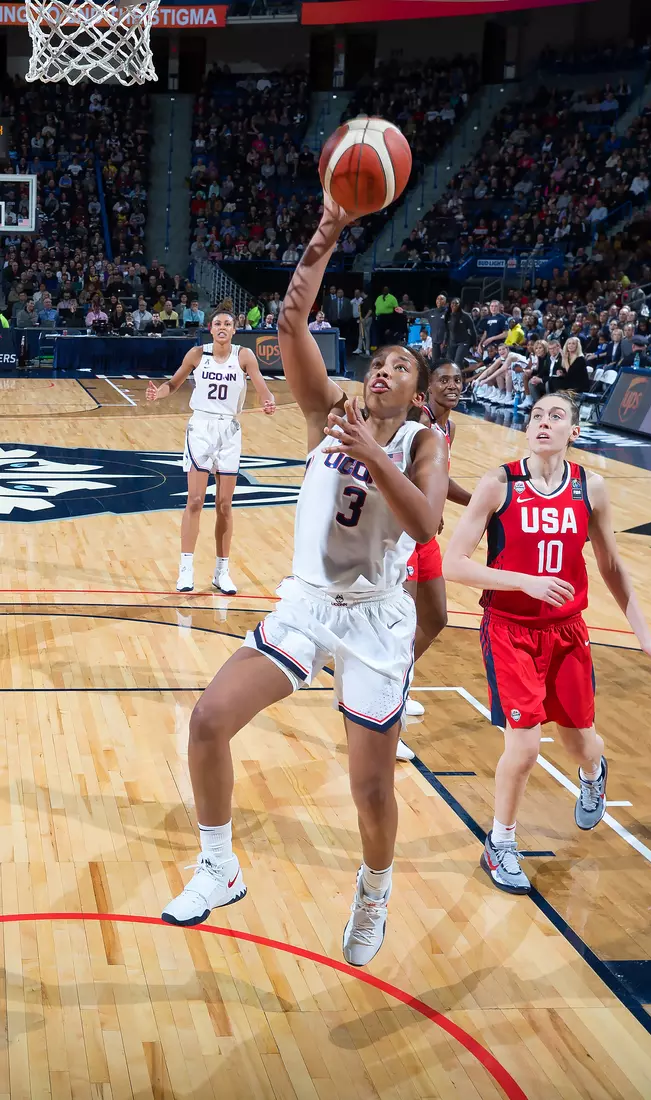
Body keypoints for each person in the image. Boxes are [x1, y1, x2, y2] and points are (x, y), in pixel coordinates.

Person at [160, 197, 449, 969]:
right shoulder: (326, 411)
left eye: (400, 366)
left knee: (370, 790)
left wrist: (372, 452)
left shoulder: (423, 443)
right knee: (208, 720)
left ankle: (374, 890)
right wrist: (326, 231)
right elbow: (290, 324)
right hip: (307, 605)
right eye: (378, 361)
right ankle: (218, 867)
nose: (383, 368)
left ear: (416, 394)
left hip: (375, 620)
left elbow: (426, 525)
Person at [443, 391, 651, 894]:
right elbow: (453, 564)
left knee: (579, 742)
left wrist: (646, 639)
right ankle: (500, 843)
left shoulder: (590, 487)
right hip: (509, 629)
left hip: (568, 631)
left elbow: (611, 566)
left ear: (574, 432)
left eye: (556, 416)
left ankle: (594, 772)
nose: (543, 423)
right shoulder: (499, 483)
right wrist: (524, 583)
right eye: (536, 415)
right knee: (525, 745)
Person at [146, 308, 276, 595]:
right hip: (201, 428)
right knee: (194, 500)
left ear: (234, 329)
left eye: (228, 323)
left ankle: (221, 572)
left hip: (229, 430)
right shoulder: (197, 354)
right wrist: (159, 393)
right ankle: (186, 569)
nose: (222, 327)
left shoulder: (244, 356)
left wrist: (268, 400)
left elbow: (262, 387)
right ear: (210, 327)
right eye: (218, 323)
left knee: (225, 505)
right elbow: (174, 383)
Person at [398, 361, 471, 757]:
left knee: (436, 618)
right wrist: (426, 505)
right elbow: (400, 473)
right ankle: (385, 712)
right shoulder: (418, 422)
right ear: (427, 388)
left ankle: (397, 683)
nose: (453, 385)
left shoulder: (449, 428)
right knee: (401, 627)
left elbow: (438, 478)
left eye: (458, 380)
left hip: (424, 536)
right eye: (444, 380)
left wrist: (478, 504)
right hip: (403, 534)